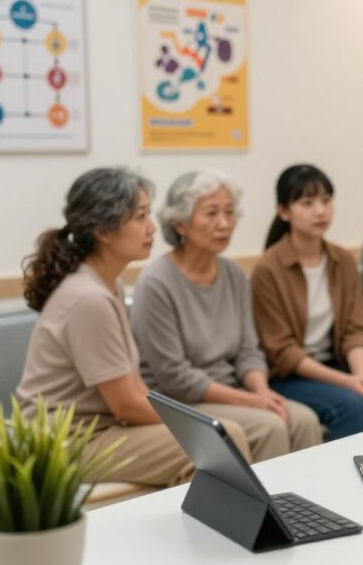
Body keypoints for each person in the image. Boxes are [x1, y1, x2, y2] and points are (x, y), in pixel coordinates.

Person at [17, 167, 249, 488]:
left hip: (99, 428)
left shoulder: (106, 286)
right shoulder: (89, 297)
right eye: (140, 217)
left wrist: (199, 424)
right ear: (104, 230)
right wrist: (200, 425)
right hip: (65, 442)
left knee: (222, 436)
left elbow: (136, 387)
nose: (152, 227)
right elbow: (125, 404)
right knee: (223, 439)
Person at [130, 169, 323, 460]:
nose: (224, 223)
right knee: (270, 426)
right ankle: (270, 507)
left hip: (232, 391)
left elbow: (249, 351)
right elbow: (174, 377)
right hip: (180, 402)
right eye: (211, 213)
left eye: (230, 212)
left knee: (304, 419)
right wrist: (251, 401)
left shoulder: (233, 274)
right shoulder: (156, 282)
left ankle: (304, 505)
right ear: (180, 224)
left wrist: (262, 392)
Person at [251, 164, 363, 440]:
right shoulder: (268, 269)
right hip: (287, 377)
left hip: (335, 367)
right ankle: (341, 482)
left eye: (326, 200)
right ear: (284, 211)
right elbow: (283, 352)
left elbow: (356, 330)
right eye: (307, 203)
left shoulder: (342, 261)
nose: (320, 211)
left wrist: (362, 378)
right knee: (350, 404)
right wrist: (349, 383)